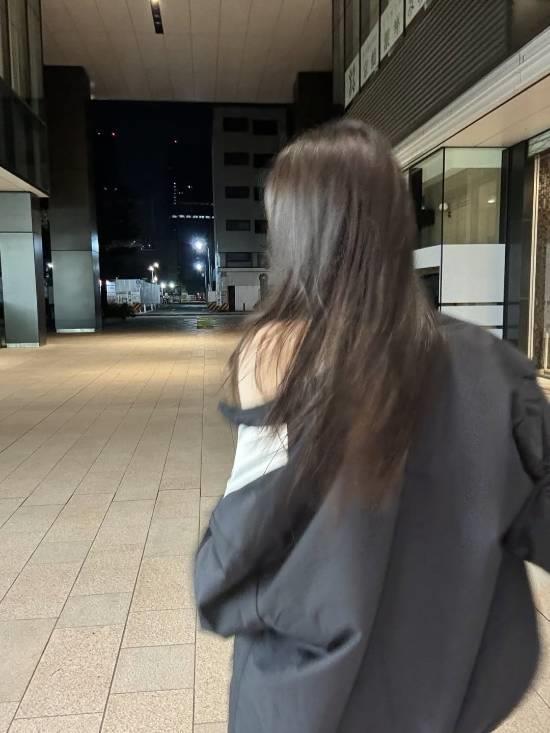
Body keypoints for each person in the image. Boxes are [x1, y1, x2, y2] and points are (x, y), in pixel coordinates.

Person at [194, 120, 550, 732]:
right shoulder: (492, 367)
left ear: (294, 231)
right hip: (444, 696)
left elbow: (235, 555)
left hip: (304, 703)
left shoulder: (277, 355)